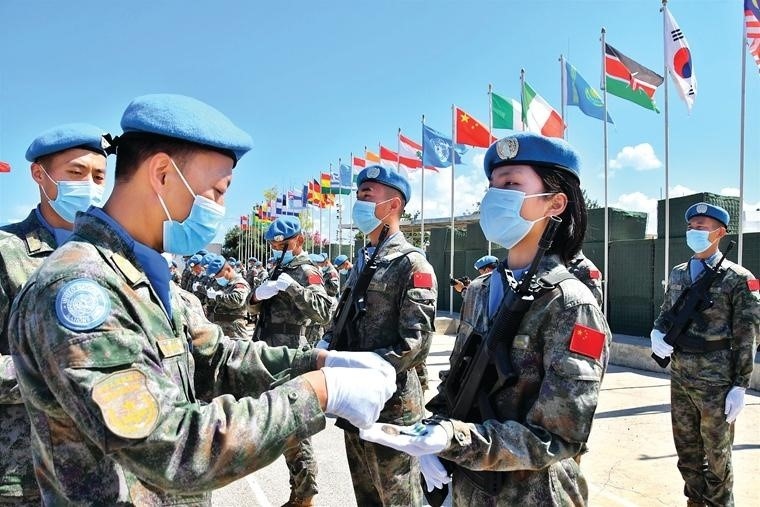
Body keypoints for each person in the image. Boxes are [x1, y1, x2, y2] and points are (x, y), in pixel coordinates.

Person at [8, 93, 397, 506]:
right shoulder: (79, 288)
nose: (218, 208)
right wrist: (320, 392)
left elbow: (213, 360)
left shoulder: (143, 275)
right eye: (216, 191)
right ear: (162, 174)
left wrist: (319, 363)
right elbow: (171, 448)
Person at [360, 132, 611, 506]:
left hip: (535, 495)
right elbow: (458, 377)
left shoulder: (572, 305)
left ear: (555, 203)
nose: (495, 196)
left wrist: (455, 440)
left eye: (511, 184)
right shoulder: (480, 291)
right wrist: (434, 433)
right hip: (470, 486)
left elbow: (560, 436)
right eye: (492, 186)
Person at [0, 123, 111, 504]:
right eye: (76, 173)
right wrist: (59, 375)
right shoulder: (6, 252)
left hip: (104, 474)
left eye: (99, 176)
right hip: (24, 471)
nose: (91, 185)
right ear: (40, 175)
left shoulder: (114, 256)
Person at [320, 165, 438, 506]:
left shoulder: (412, 265)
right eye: (358, 195)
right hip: (354, 403)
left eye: (367, 196)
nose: (358, 202)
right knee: (367, 495)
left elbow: (415, 343)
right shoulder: (362, 259)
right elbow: (342, 316)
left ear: (393, 205)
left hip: (393, 408)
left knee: (400, 499)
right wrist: (327, 345)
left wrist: (357, 367)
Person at [650, 202, 759, 507]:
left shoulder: (738, 279)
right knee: (687, 455)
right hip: (681, 377)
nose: (694, 232)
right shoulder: (679, 272)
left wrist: (740, 385)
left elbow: (748, 334)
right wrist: (656, 332)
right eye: (690, 227)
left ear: (720, 232)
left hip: (717, 381)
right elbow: (666, 313)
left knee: (718, 458)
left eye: (701, 227)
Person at [249, 215, 333, 506]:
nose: (275, 248)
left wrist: (292, 288)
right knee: (284, 428)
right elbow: (252, 304)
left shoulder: (306, 271)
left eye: (281, 244)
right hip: (269, 352)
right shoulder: (277, 267)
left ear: (298, 241)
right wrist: (257, 295)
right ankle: (299, 491)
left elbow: (325, 311)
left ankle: (305, 495)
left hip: (292, 355)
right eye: (272, 244)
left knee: (296, 426)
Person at [205, 254, 251, 339]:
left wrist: (216, 296)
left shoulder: (239, 283)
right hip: (222, 329)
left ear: (228, 269)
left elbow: (237, 301)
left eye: (219, 276)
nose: (217, 279)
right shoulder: (225, 285)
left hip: (235, 331)